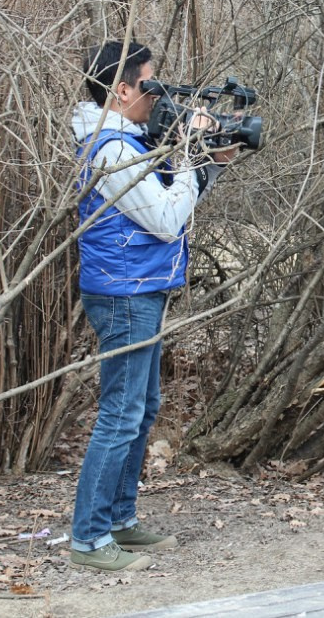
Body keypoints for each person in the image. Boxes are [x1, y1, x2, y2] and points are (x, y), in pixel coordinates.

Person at [69, 40, 236, 572]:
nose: (157, 95)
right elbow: (165, 221)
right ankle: (89, 541)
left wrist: (210, 164)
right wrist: (188, 152)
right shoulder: (112, 150)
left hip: (140, 287)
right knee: (120, 415)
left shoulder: (131, 139)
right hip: (122, 293)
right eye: (150, 84)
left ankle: (119, 521)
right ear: (121, 90)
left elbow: (170, 206)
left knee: (141, 411)